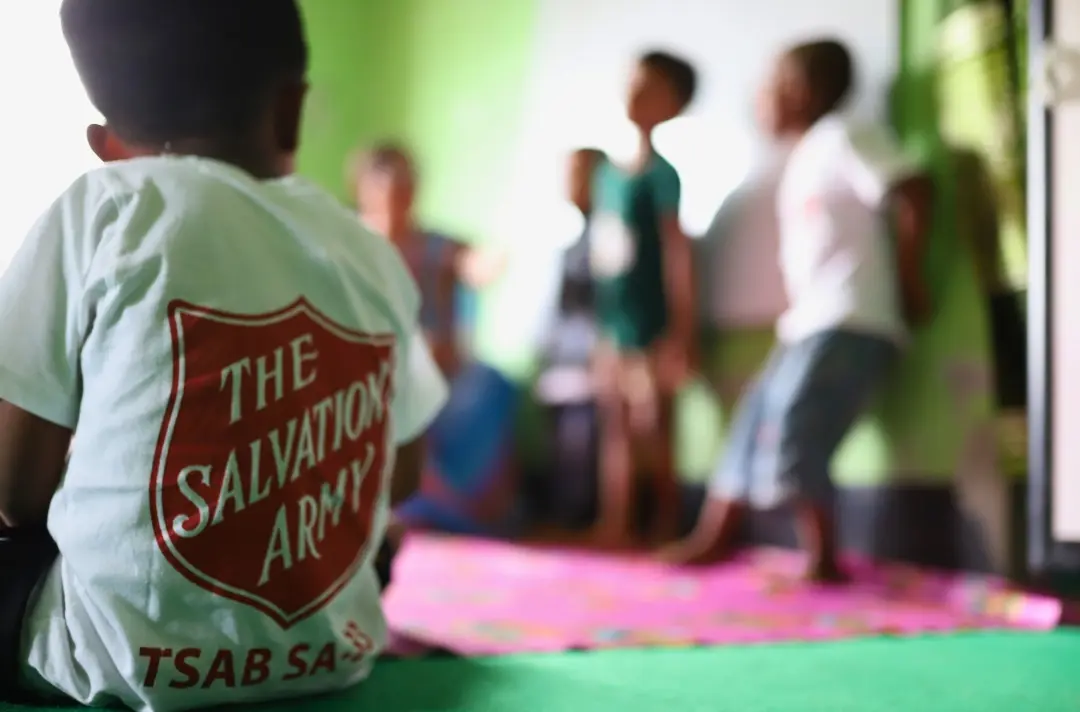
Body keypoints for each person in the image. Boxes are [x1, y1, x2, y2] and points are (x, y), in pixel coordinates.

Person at [0, 1, 448, 709]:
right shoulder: (371, 253)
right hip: (327, 651)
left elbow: (14, 493)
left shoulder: (102, 206)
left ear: (106, 143)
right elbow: (401, 475)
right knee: (375, 547)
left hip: (108, 663)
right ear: (294, 110)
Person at [660, 39, 933, 581]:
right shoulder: (804, 155)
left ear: (800, 90)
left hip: (851, 317)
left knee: (796, 426)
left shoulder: (844, 136)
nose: (759, 99)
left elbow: (914, 189)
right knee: (752, 420)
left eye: (769, 84)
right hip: (808, 323)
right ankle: (716, 535)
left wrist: (908, 276)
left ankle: (823, 557)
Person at [589, 52, 697, 546]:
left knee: (656, 427)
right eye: (632, 81)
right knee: (617, 427)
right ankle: (617, 522)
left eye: (649, 87)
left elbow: (678, 253)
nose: (635, 92)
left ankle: (665, 523)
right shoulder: (605, 175)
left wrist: (682, 327)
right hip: (613, 323)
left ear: (673, 104)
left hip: (653, 322)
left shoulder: (663, 176)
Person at [353, 144, 466, 377]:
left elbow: (475, 261)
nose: (400, 193)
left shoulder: (437, 247)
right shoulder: (342, 247)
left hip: (429, 376)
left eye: (405, 184)